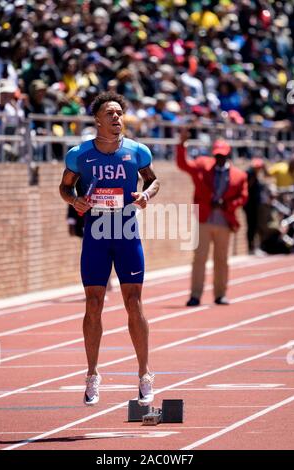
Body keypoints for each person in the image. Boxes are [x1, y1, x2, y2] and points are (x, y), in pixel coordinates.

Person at [59, 91, 160, 406]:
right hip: (96, 233)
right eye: (110, 113)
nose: (117, 118)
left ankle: (144, 373)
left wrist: (146, 195)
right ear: (97, 119)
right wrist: (74, 199)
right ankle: (92, 374)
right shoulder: (80, 154)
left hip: (127, 232)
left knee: (134, 302)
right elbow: (64, 186)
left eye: (120, 113)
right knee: (93, 302)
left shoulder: (137, 151)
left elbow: (153, 181)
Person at [176, 130, 248, 306]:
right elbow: (183, 164)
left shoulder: (239, 176)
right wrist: (182, 145)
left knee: (221, 259)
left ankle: (220, 294)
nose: (219, 158)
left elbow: (243, 197)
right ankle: (195, 295)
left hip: (224, 221)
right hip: (204, 219)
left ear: (228, 155)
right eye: (217, 155)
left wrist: (227, 205)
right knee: (199, 258)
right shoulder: (202, 166)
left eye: (222, 155)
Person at [243, 158, 265, 254]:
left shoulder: (255, 175)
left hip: (255, 204)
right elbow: (247, 187)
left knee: (255, 225)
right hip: (249, 204)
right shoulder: (249, 174)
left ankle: (255, 246)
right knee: (251, 225)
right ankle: (251, 247)